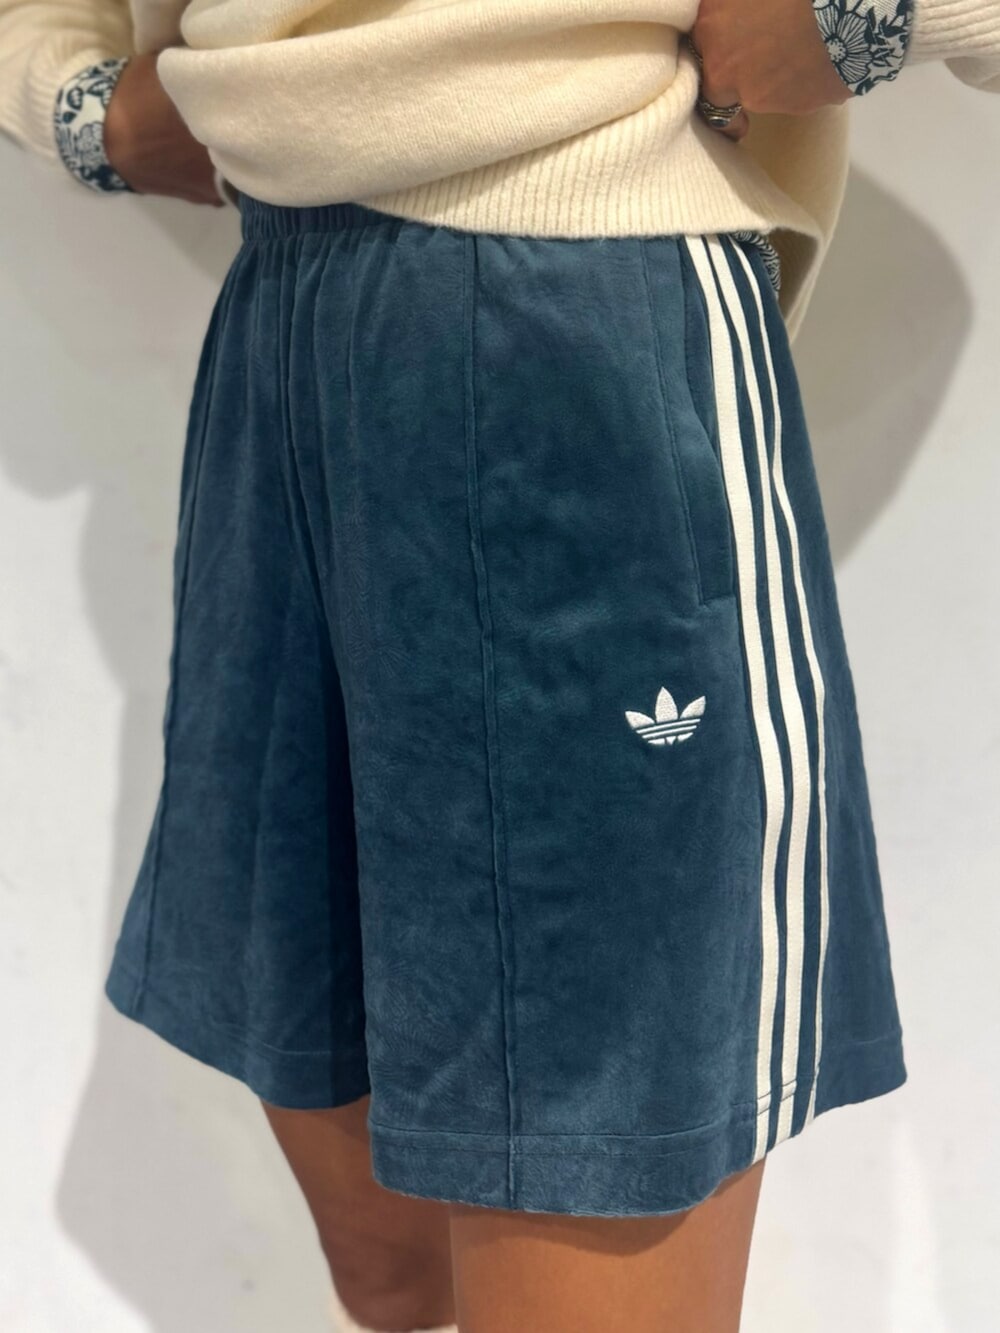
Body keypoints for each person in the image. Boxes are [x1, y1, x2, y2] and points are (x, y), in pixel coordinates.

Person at [3, 2, 997, 1328]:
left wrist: (878, 12)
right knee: (390, 1263)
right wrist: (82, 104)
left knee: (576, 1201)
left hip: (580, 311)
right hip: (282, 324)